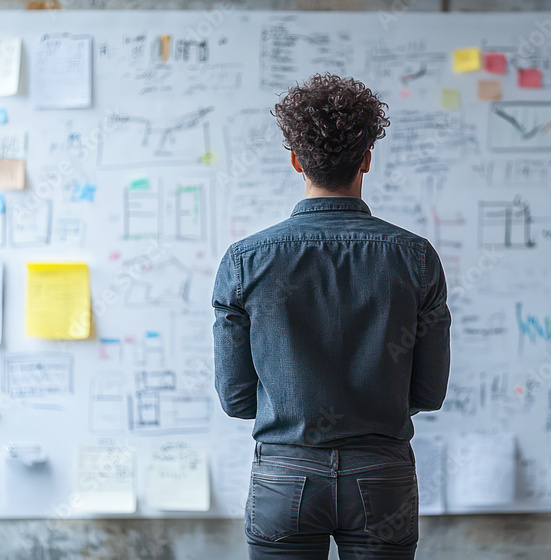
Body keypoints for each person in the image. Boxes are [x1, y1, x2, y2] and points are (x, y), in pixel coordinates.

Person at [212, 72, 451, 560]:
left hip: (285, 475)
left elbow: (237, 400)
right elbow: (429, 392)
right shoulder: (416, 256)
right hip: (382, 476)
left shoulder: (245, 260)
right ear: (366, 159)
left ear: (296, 160)